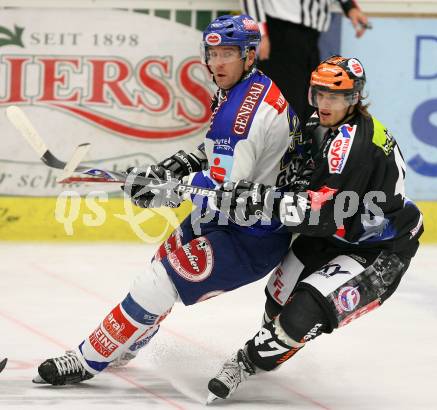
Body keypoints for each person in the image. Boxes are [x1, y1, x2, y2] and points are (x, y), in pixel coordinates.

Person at [33, 14, 306, 385]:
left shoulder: (241, 117)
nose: (218, 62)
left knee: (156, 284)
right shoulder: (249, 88)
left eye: (228, 53)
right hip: (234, 217)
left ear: (249, 55)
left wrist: (166, 189)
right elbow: (221, 155)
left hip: (251, 236)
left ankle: (87, 359)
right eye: (213, 53)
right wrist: (179, 164)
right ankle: (126, 341)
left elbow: (221, 192)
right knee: (160, 265)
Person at [206, 55, 424, 402]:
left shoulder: (354, 145)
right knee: (276, 298)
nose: (324, 104)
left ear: (354, 98)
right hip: (338, 234)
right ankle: (272, 346)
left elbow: (321, 215)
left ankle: (246, 361)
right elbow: (291, 173)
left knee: (301, 315)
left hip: (378, 250)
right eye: (319, 94)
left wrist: (260, 199)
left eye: (334, 97)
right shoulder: (318, 124)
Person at [240, 0, 370, 126]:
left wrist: (350, 7)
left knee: (309, 109)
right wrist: (261, 32)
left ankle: (303, 146)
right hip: (280, 33)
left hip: (310, 37)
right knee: (283, 109)